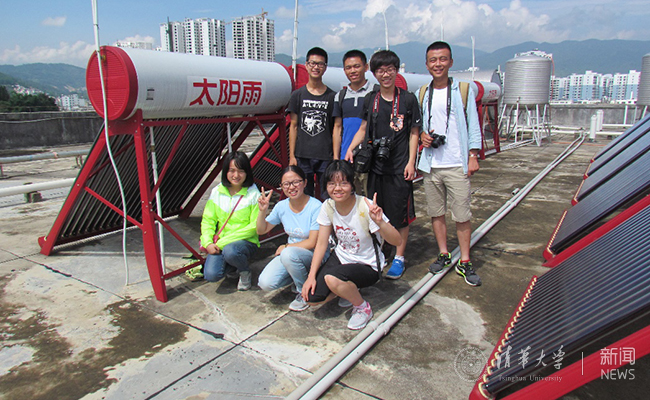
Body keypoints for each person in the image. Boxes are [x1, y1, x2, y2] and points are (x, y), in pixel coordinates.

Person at [345, 50, 421, 280]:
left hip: (399, 168)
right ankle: (381, 251)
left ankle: (399, 257)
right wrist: (351, 148)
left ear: (396, 71)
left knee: (401, 215)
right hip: (376, 168)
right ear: (374, 72)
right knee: (377, 212)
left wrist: (411, 162)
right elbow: (363, 128)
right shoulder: (372, 99)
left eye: (390, 70)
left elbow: (414, 133)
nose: (385, 74)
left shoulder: (408, 99)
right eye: (380, 70)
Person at [302, 160, 401, 330]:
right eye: (332, 184)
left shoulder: (365, 206)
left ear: (352, 184)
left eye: (343, 183)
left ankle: (362, 307)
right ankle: (347, 290)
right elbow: (321, 243)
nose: (337, 188)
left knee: (332, 278)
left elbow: (397, 241)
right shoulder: (328, 206)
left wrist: (380, 222)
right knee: (311, 299)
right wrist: (310, 277)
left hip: (367, 264)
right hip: (342, 258)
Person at [417, 41, 482, 286]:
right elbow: (419, 125)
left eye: (443, 59)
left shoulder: (463, 90)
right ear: (426, 64)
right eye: (433, 60)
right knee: (436, 213)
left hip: (457, 162)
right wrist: (423, 136)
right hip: (432, 164)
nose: (438, 64)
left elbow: (473, 123)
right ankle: (444, 253)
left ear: (451, 62)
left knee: (462, 215)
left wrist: (473, 155)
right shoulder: (422, 92)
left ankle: (465, 260)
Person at [256, 165, 327, 311]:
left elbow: (312, 242)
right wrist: (262, 211)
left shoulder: (316, 206)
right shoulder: (281, 206)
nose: (291, 187)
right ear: (281, 186)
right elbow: (261, 230)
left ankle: (303, 292)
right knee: (265, 283)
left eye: (296, 182)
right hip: (291, 256)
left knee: (288, 254)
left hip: (313, 255)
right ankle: (298, 276)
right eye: (286, 184)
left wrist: (286, 247)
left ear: (305, 183)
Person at [200, 151, 260, 290]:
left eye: (241, 171)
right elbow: (208, 220)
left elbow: (254, 227)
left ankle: (244, 271)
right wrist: (207, 242)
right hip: (222, 242)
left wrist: (222, 243)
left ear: (247, 172)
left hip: (246, 242)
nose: (236, 175)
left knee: (231, 251)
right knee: (211, 275)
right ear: (225, 172)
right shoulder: (217, 192)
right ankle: (234, 265)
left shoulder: (253, 194)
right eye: (232, 170)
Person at [287, 47, 337, 198]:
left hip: (325, 156)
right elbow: (293, 126)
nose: (316, 67)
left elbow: (336, 128)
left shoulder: (332, 96)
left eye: (320, 64)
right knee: (304, 196)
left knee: (327, 196)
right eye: (313, 63)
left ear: (325, 67)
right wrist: (292, 156)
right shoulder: (297, 95)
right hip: (302, 155)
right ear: (307, 65)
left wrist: (335, 157)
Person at [332, 49, 372, 195]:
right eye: (348, 67)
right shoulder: (340, 96)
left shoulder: (375, 93)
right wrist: (336, 158)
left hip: (369, 159)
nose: (352, 71)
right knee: (349, 200)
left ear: (366, 67)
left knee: (371, 200)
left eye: (357, 66)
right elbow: (337, 128)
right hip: (347, 159)